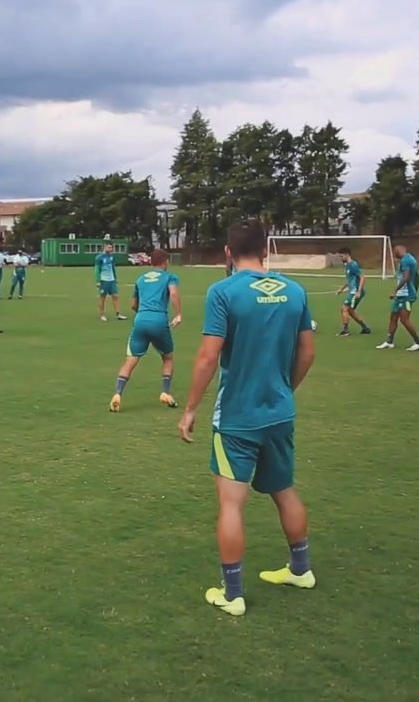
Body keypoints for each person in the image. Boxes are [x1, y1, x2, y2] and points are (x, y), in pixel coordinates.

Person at [178, 223, 317, 617]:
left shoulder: (223, 291)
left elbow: (208, 357)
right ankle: (301, 569)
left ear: (227, 252)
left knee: (231, 504)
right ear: (264, 249)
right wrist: (285, 388)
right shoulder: (295, 290)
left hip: (238, 416)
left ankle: (233, 594)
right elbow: (307, 352)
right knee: (284, 490)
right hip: (279, 412)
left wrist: (190, 409)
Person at [109, 250, 182, 412]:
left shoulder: (141, 279)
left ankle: (118, 394)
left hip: (140, 319)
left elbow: (133, 305)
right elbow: (174, 293)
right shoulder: (170, 277)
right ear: (165, 261)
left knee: (131, 359)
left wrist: (144, 315)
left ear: (151, 262)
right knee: (168, 357)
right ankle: (165, 392)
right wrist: (178, 314)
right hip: (159, 321)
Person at [376, 244, 419, 351]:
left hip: (406, 295)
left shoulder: (405, 260)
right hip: (402, 294)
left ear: (399, 250)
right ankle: (389, 342)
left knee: (404, 319)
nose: (394, 254)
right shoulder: (410, 259)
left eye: (394, 252)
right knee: (393, 317)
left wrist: (395, 290)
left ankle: (418, 342)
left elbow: (406, 277)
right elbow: (417, 277)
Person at [334, 247, 371, 336]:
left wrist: (358, 291)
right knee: (350, 310)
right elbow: (349, 280)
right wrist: (341, 289)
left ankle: (346, 331)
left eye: (341, 256)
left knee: (344, 308)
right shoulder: (347, 265)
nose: (340, 258)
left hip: (355, 292)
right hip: (353, 291)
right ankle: (365, 328)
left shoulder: (353, 265)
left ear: (347, 255)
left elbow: (362, 277)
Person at [95, 242, 127, 322]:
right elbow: (97, 270)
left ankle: (118, 314)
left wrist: (115, 278)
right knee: (103, 298)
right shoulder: (99, 257)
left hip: (111, 280)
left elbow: (113, 268)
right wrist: (97, 281)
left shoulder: (112, 257)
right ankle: (102, 315)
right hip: (103, 280)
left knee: (115, 296)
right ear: (104, 247)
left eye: (111, 248)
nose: (110, 249)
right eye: (109, 247)